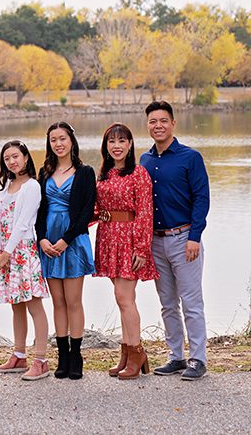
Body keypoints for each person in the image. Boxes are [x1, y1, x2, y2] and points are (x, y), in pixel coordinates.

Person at [139, 101, 210, 381]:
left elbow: (201, 199)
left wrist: (195, 237)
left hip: (184, 239)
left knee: (191, 301)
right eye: (153, 121)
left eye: (163, 121)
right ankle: (176, 356)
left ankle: (198, 359)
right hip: (156, 242)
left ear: (173, 124)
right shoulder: (144, 160)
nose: (158, 126)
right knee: (167, 303)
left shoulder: (190, 158)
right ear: (148, 125)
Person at [93, 123, 158, 380]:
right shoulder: (105, 174)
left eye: (122, 141)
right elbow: (95, 209)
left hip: (129, 239)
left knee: (125, 298)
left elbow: (145, 212)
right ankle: (126, 352)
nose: (116, 146)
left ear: (130, 145)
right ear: (105, 146)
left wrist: (141, 248)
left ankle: (137, 352)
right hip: (108, 238)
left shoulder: (139, 173)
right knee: (121, 299)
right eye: (112, 141)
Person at [35, 121, 96, 381]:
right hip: (49, 242)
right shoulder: (44, 172)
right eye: (53, 140)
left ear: (71, 140)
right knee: (57, 301)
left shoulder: (85, 172)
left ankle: (76, 356)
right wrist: (42, 239)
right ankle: (61, 356)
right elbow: (39, 211)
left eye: (62, 138)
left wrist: (66, 240)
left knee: (73, 301)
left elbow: (87, 212)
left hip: (73, 241)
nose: (58, 144)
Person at [0, 140, 51, 381]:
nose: (12, 162)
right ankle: (19, 355)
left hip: (22, 250)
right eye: (7, 158)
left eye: (15, 156)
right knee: (16, 304)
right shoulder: (7, 185)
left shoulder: (32, 186)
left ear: (25, 157)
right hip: (5, 252)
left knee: (34, 305)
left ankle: (41, 360)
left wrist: (8, 252)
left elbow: (23, 224)